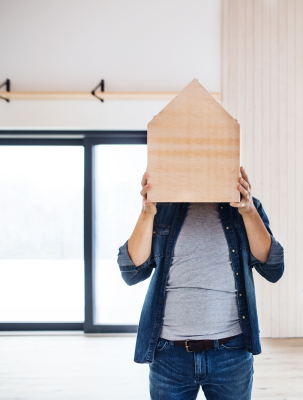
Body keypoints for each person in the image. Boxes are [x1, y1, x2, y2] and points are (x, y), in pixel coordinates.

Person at [117, 167, 284, 400]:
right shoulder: (162, 208)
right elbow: (131, 272)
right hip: (169, 356)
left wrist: (248, 211)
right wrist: (147, 212)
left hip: (231, 353)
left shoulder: (245, 206)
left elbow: (273, 268)